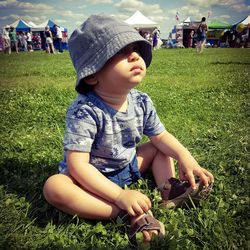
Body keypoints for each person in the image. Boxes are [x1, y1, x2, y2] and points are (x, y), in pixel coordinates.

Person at [43, 15, 214, 243]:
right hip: (91, 178)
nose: (134, 55)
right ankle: (124, 213)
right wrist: (120, 196)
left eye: (135, 49)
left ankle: (169, 190)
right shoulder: (84, 110)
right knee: (54, 187)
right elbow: (78, 166)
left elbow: (161, 136)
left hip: (128, 164)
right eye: (119, 52)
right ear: (92, 75)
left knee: (159, 146)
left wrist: (185, 156)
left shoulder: (141, 101)